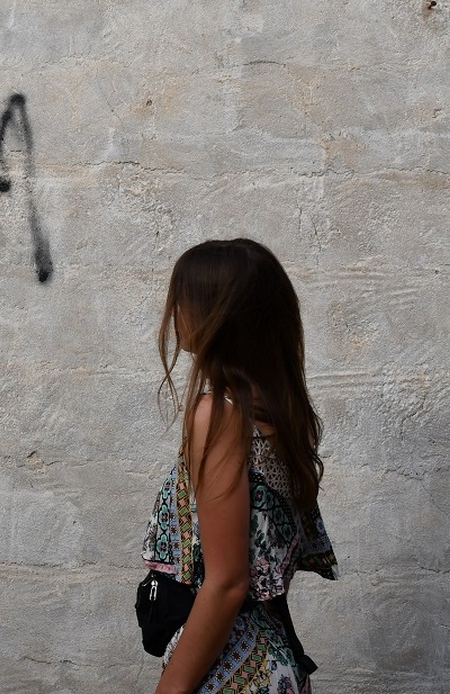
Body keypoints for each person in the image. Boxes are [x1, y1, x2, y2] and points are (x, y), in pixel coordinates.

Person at [142, 239, 338, 693]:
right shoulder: (276, 414)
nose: (173, 313)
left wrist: (171, 689)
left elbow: (228, 583)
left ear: (217, 316)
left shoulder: (219, 415)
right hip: (273, 660)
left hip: (233, 669)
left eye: (182, 300)